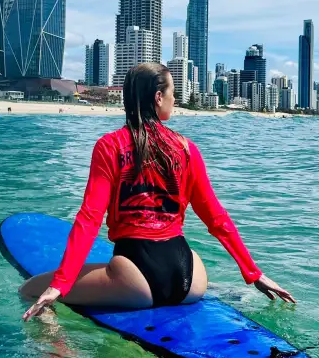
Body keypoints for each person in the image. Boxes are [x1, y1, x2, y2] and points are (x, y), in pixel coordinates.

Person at [21, 62, 295, 321]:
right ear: (157, 98)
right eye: (172, 93)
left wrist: (60, 285)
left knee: (30, 289)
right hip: (191, 276)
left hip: (135, 276)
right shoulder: (187, 149)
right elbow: (215, 217)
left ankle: (54, 341)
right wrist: (253, 273)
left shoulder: (110, 146)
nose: (174, 100)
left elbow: (90, 218)